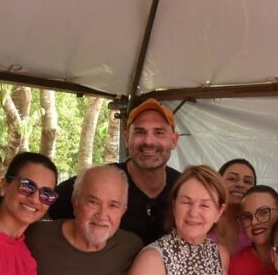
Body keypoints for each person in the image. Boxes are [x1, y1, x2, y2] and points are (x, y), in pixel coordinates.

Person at [50, 98, 180, 244]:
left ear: (174, 140)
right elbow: (42, 207)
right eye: (140, 132)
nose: (148, 141)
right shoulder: (100, 180)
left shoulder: (183, 187)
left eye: (159, 132)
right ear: (127, 138)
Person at [211, 158, 257, 255]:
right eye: (232, 179)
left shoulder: (256, 226)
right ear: (218, 182)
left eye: (247, 181)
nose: (240, 185)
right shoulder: (202, 217)